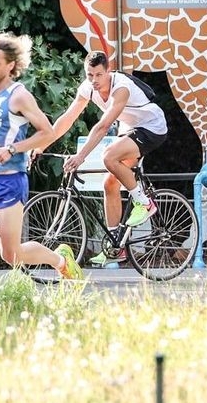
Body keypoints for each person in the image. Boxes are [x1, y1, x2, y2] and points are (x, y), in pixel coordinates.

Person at [0, 32, 82, 294]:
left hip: (10, 182)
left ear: (11, 66)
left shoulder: (19, 96)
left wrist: (12, 149)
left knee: (11, 255)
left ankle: (61, 262)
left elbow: (47, 132)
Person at [42, 50, 168, 265]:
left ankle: (145, 203)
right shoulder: (88, 88)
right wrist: (40, 145)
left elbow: (103, 126)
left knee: (109, 156)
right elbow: (67, 119)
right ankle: (116, 247)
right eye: (90, 75)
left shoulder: (121, 87)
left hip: (152, 127)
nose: (94, 80)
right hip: (131, 129)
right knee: (109, 183)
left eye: (99, 75)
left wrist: (81, 156)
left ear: (108, 71)